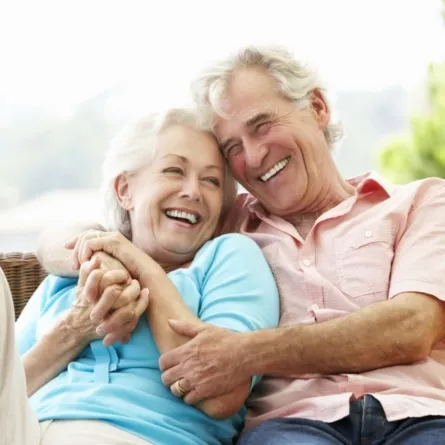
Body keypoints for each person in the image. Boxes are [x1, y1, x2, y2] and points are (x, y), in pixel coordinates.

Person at [40, 46, 445, 444]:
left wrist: (246, 353)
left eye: (262, 125)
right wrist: (97, 253)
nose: (252, 157)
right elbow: (86, 234)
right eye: (232, 147)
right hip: (294, 427)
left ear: (318, 108)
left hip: (421, 415)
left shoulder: (422, 203)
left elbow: (412, 325)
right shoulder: (225, 222)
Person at [1, 108, 279, 445]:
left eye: (211, 180)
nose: (193, 191)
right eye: (174, 170)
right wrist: (73, 330)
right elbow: (9, 391)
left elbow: (218, 394)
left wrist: (140, 267)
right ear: (125, 190)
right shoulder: (74, 271)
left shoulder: (229, 258)